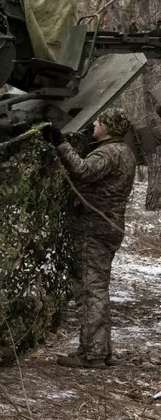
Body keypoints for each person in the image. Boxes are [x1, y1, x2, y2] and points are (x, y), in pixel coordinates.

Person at [42, 108, 137, 369]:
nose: (94, 123)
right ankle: (101, 350)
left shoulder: (108, 153)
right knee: (98, 289)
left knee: (90, 290)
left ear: (108, 127)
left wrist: (60, 143)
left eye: (99, 121)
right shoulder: (124, 151)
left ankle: (92, 354)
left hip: (92, 229)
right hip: (109, 227)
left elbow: (83, 171)